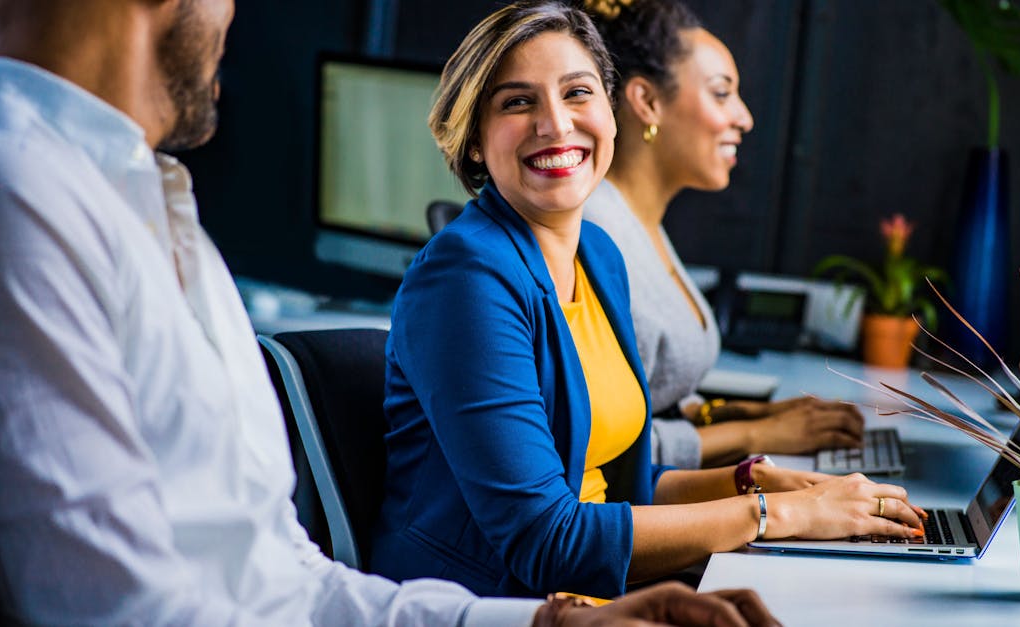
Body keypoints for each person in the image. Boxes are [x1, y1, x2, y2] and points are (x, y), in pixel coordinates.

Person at [0, 0, 778, 624]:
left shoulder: (157, 207)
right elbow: (113, 606)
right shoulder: (27, 197)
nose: (235, 15)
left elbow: (284, 573)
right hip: (516, 577)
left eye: (578, 93)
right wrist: (764, 512)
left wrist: (549, 624)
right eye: (519, 102)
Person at [373, 0, 926, 601]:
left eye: (578, 93)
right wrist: (778, 515)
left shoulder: (599, 255)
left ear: (611, 113)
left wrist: (752, 481)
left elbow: (618, 489)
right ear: (476, 140)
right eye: (517, 101)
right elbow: (545, 540)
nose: (556, 124)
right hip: (493, 605)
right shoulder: (466, 278)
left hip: (596, 592)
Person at [579, 0, 867, 470]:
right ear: (647, 102)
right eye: (721, 94)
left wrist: (753, 413)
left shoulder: (639, 222)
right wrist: (756, 433)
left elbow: (656, 398)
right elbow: (600, 446)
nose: (745, 118)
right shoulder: (595, 232)